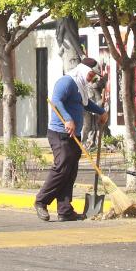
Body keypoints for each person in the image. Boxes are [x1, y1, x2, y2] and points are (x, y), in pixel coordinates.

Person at [35, 58, 107, 222]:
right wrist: (67, 119)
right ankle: (41, 201)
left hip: (74, 135)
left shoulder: (80, 86)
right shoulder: (66, 82)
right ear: (83, 70)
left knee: (70, 171)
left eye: (94, 77)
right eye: (91, 74)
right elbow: (56, 101)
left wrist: (101, 111)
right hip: (60, 133)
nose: (91, 78)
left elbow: (85, 104)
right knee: (61, 168)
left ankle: (65, 210)